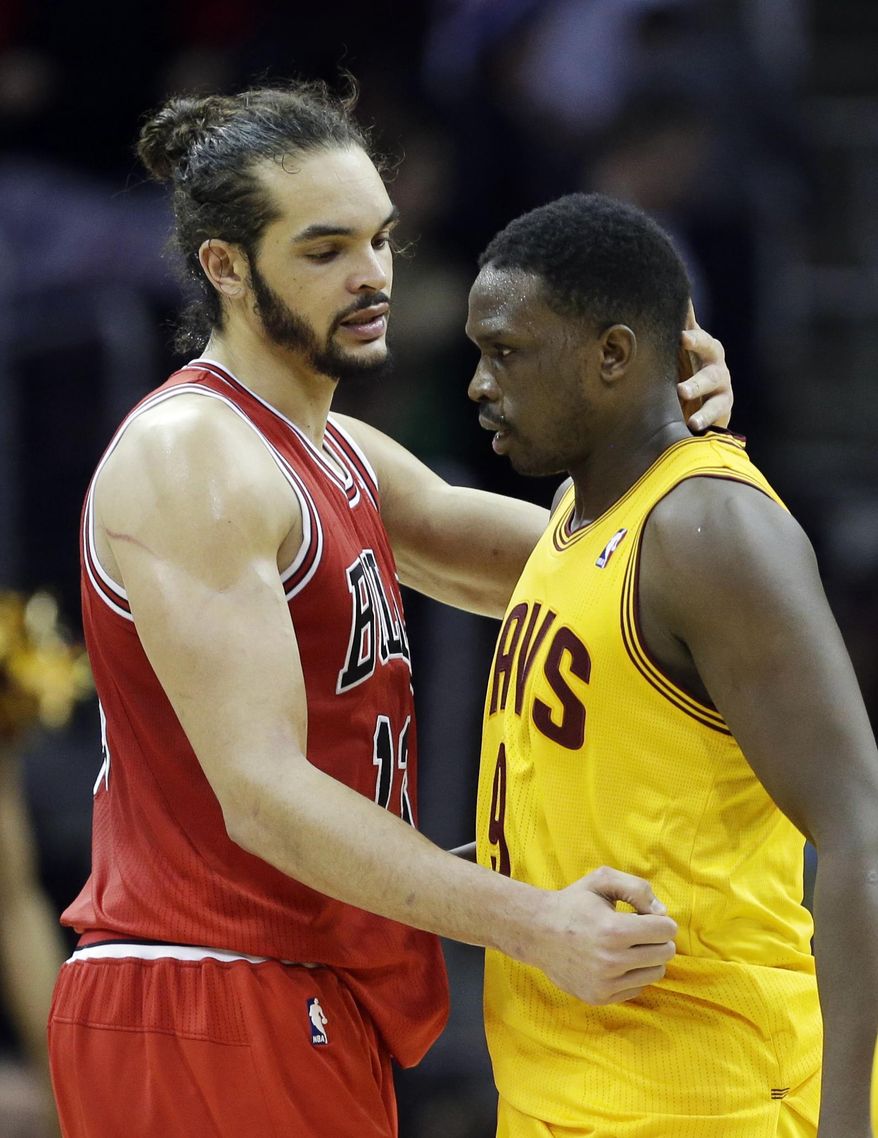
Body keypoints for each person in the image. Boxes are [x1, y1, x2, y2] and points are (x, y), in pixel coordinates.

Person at [46, 83, 733, 1138]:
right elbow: (264, 798)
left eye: (377, 239)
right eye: (323, 251)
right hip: (204, 985)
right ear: (224, 267)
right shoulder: (193, 456)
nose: (370, 276)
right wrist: (532, 922)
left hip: (294, 988)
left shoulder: (334, 450)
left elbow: (575, 568)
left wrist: (668, 438)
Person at [466, 192, 878, 1138]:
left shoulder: (709, 528)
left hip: (710, 1095)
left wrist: (851, 1123)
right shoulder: (575, 517)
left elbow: (860, 831)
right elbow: (564, 835)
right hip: (560, 1087)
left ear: (613, 355)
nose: (481, 385)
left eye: (508, 351)